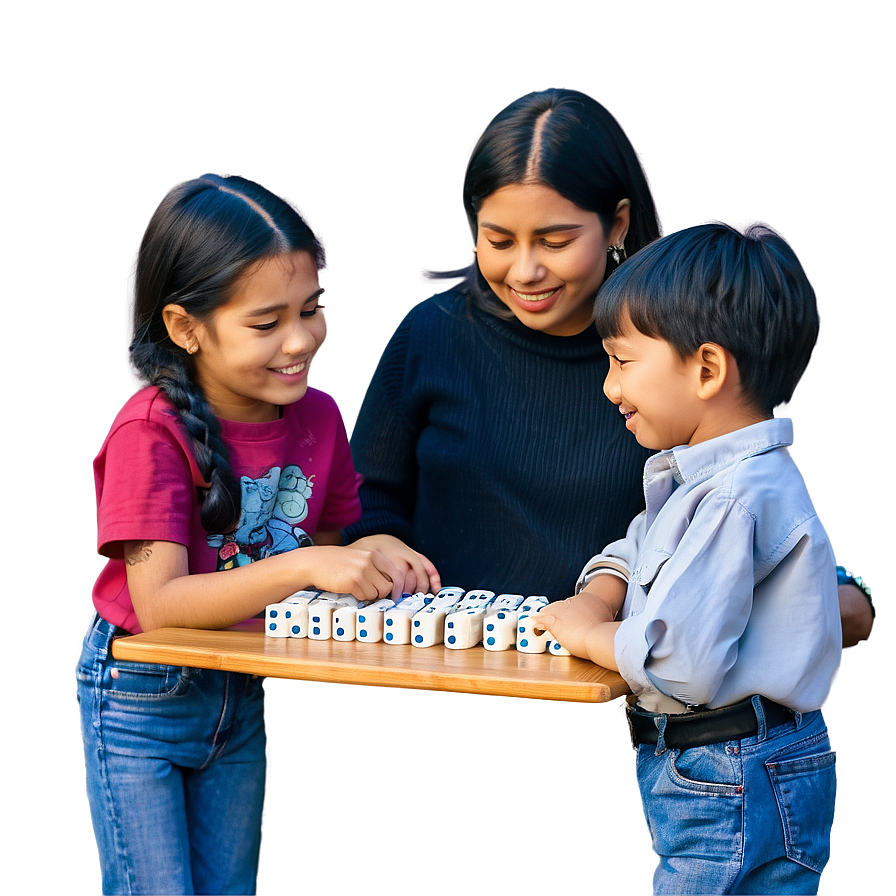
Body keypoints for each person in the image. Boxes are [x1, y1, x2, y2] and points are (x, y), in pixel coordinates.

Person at [346, 87, 875, 642]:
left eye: (555, 241)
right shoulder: (431, 334)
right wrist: (372, 542)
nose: (524, 271)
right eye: (498, 240)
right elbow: (363, 501)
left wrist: (830, 588)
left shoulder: (681, 359)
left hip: (619, 695)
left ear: (618, 224)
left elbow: (740, 506)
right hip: (447, 676)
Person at [76, 173, 437, 895]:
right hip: (144, 695)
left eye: (313, 309)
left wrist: (372, 549)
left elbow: (331, 553)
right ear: (187, 329)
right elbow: (162, 606)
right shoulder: (150, 433)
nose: (301, 341)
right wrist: (308, 566)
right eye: (266, 323)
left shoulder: (321, 419)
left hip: (244, 686)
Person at [534, 223, 841, 894]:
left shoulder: (731, 497)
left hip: (727, 765)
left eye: (622, 360)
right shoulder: (701, 484)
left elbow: (688, 666)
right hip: (749, 759)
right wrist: (600, 590)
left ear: (706, 370)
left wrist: (591, 634)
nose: (610, 387)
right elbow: (636, 547)